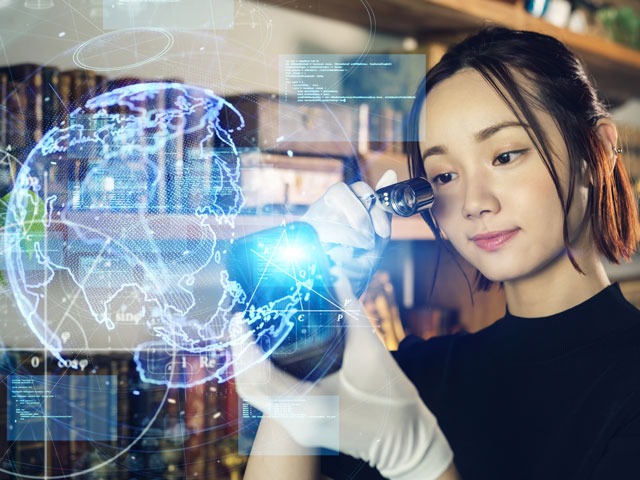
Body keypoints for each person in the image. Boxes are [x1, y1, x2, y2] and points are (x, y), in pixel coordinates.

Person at [232, 27, 640, 479]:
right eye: (444, 176)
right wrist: (309, 336)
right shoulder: (415, 375)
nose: (473, 202)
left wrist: (420, 461)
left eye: (505, 156)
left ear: (597, 151)